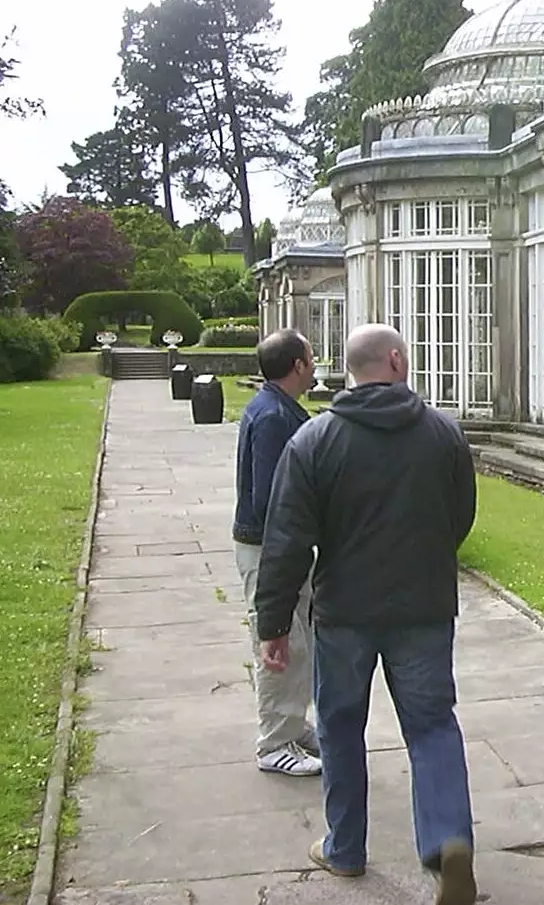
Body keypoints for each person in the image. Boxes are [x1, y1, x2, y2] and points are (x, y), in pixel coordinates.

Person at [254, 323, 478, 905]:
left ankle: (345, 850)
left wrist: (273, 624)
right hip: (424, 606)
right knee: (432, 726)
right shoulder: (443, 434)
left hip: (345, 609)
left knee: (340, 727)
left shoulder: (313, 440)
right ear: (397, 362)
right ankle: (449, 840)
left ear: (348, 369)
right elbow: (460, 518)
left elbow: (286, 541)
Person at [231, 328, 320, 777]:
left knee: (297, 640)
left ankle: (291, 724)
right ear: (298, 366)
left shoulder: (277, 408)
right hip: (269, 547)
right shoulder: (272, 417)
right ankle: (274, 742)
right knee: (277, 640)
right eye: (310, 356)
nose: (315, 363)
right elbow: (271, 497)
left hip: (279, 545)